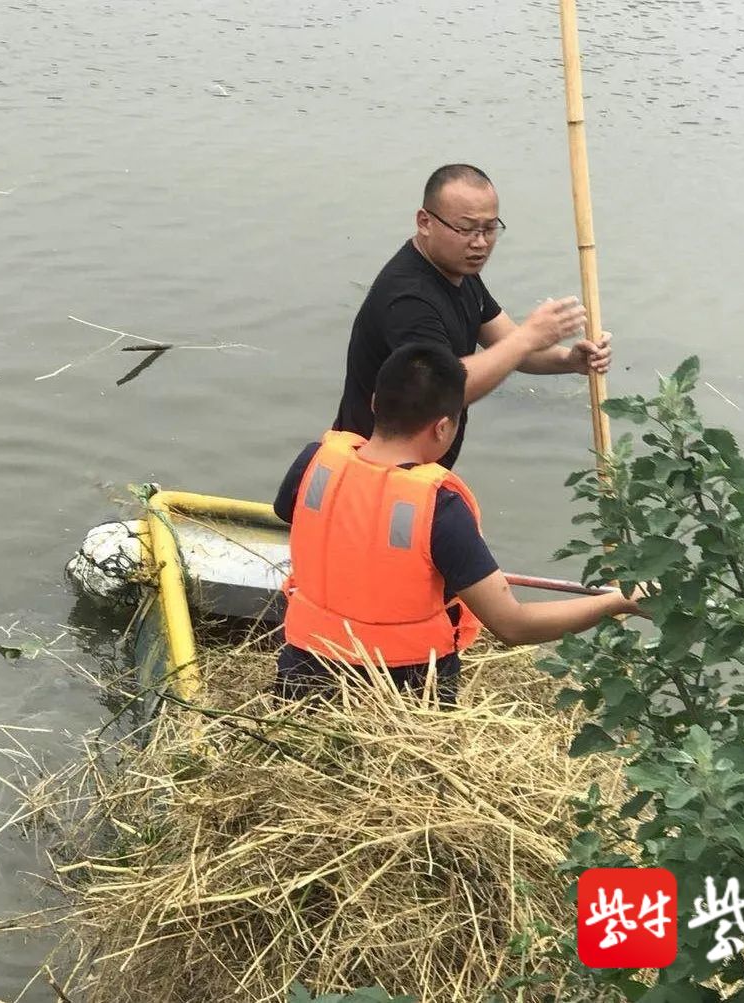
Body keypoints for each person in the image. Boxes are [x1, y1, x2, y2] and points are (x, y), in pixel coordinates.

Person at [275, 344, 646, 705]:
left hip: (303, 680)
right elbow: (512, 625)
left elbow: (305, 517)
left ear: (374, 403)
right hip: (402, 695)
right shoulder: (440, 508)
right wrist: (617, 603)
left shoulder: (314, 462)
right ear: (442, 428)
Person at [333, 163, 611, 469]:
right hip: (374, 473)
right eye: (465, 229)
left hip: (417, 471)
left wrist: (569, 360)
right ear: (425, 222)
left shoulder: (460, 273)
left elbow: (508, 346)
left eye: (489, 228)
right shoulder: (409, 297)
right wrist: (528, 336)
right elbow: (440, 391)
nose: (479, 243)